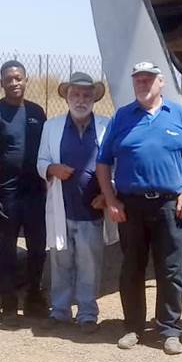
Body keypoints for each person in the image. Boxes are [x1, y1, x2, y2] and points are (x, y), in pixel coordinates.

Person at [96, 61, 182, 356]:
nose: (143, 84)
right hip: (130, 205)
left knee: (170, 268)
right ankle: (133, 327)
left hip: (170, 205)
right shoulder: (122, 117)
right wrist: (111, 199)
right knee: (131, 267)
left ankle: (169, 330)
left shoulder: (179, 115)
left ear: (161, 83)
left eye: (148, 80)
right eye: (138, 80)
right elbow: (103, 162)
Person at [36, 72, 116, 333]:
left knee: (89, 264)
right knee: (61, 261)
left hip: (92, 211)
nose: (80, 100)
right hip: (62, 206)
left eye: (86, 95)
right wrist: (52, 168)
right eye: (75, 95)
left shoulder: (107, 126)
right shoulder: (52, 126)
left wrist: (108, 194)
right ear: (67, 97)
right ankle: (59, 311)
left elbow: (117, 165)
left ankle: (87, 314)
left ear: (94, 99)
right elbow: (40, 161)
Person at [0, 60, 48, 326]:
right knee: (6, 250)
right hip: (7, 194)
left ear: (26, 80)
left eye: (18, 78)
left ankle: (34, 297)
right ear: (2, 82)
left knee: (38, 249)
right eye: (9, 79)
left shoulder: (37, 112)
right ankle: (8, 303)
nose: (14, 83)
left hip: (36, 193)